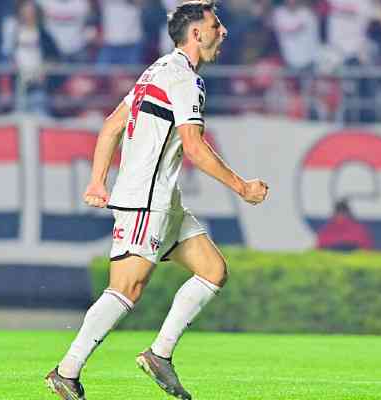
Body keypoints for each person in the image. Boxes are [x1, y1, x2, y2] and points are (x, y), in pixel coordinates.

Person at [44, 2, 269, 399]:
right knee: (127, 289)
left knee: (212, 270)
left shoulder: (157, 70)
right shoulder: (184, 80)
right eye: (216, 25)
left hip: (164, 198)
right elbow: (196, 149)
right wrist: (242, 187)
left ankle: (159, 354)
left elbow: (112, 125)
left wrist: (98, 181)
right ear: (197, 34)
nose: (224, 32)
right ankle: (67, 370)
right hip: (147, 199)